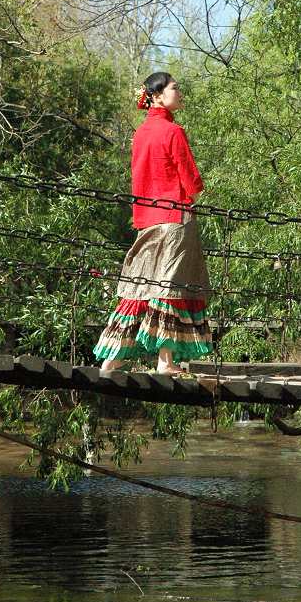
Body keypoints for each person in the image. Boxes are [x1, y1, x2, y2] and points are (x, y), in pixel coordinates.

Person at [93, 72, 213, 375]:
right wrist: (195, 190)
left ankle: (112, 359)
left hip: (146, 221)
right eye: (175, 88)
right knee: (171, 287)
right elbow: (192, 182)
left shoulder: (141, 134)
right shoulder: (173, 132)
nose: (180, 92)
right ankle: (165, 362)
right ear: (157, 96)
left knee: (138, 287)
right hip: (175, 219)